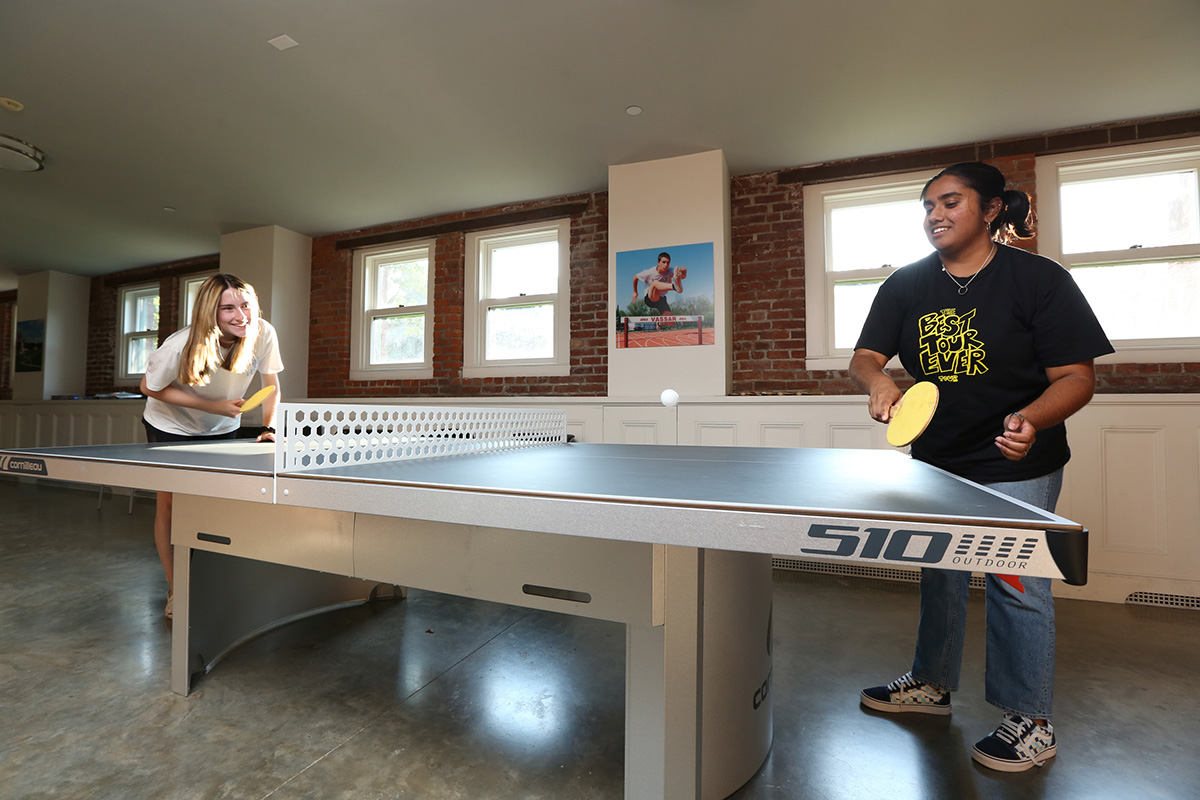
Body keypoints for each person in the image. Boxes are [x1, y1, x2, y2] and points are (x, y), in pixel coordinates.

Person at [850, 162, 1112, 772]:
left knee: (1015, 582)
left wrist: (1032, 420)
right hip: (936, 461)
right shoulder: (906, 286)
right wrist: (878, 381)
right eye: (927, 206)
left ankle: (1030, 719)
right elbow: (865, 355)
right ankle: (932, 685)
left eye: (949, 202)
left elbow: (1076, 377)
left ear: (991, 209)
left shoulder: (1039, 279)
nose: (934, 215)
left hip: (1018, 462)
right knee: (939, 573)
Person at [139, 274, 283, 619]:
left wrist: (269, 427)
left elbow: (272, 386)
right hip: (170, 426)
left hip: (221, 427)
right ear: (209, 312)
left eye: (246, 305)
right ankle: (178, 590)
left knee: (216, 506)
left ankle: (213, 581)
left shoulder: (262, 333)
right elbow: (148, 387)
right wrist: (213, 406)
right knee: (171, 507)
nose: (241, 316)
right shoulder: (180, 345)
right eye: (228, 308)